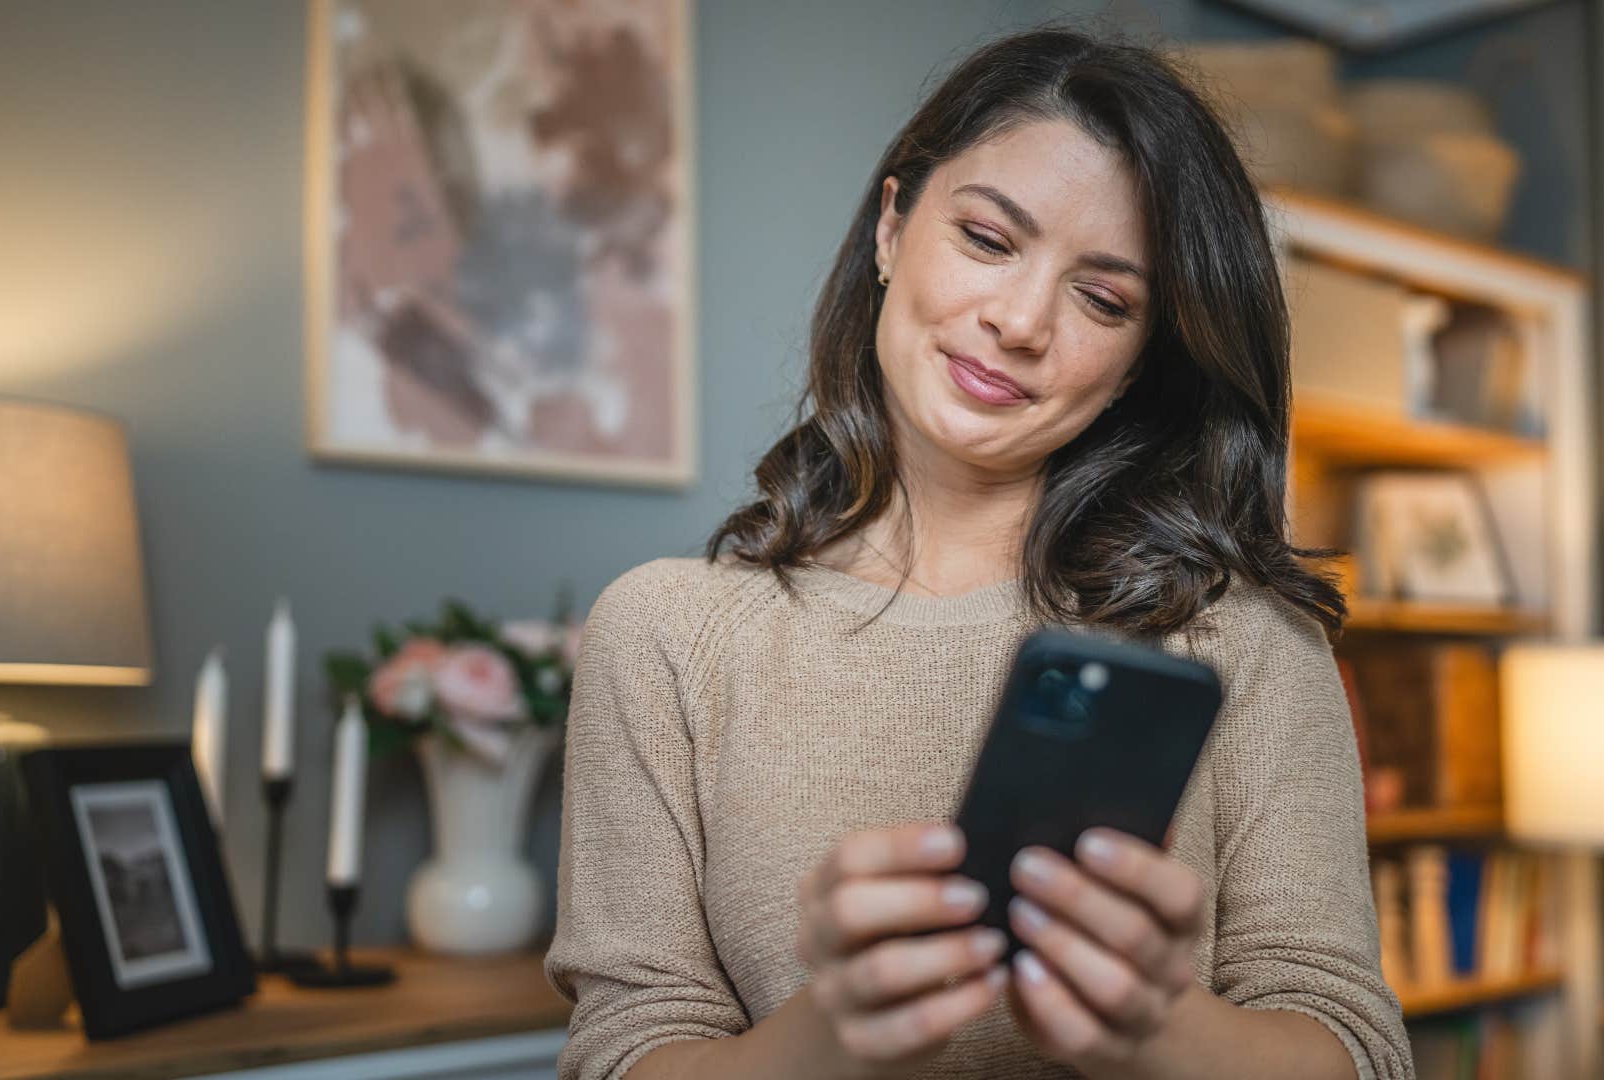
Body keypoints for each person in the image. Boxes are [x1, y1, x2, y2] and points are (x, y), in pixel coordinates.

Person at [545, 25, 1414, 1080]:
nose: (1018, 320)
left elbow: (1358, 1053)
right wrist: (836, 1031)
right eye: (989, 240)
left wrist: (1161, 1027)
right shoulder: (665, 636)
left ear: (1143, 360)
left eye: (1102, 298)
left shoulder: (1243, 643)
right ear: (890, 228)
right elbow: (621, 1056)